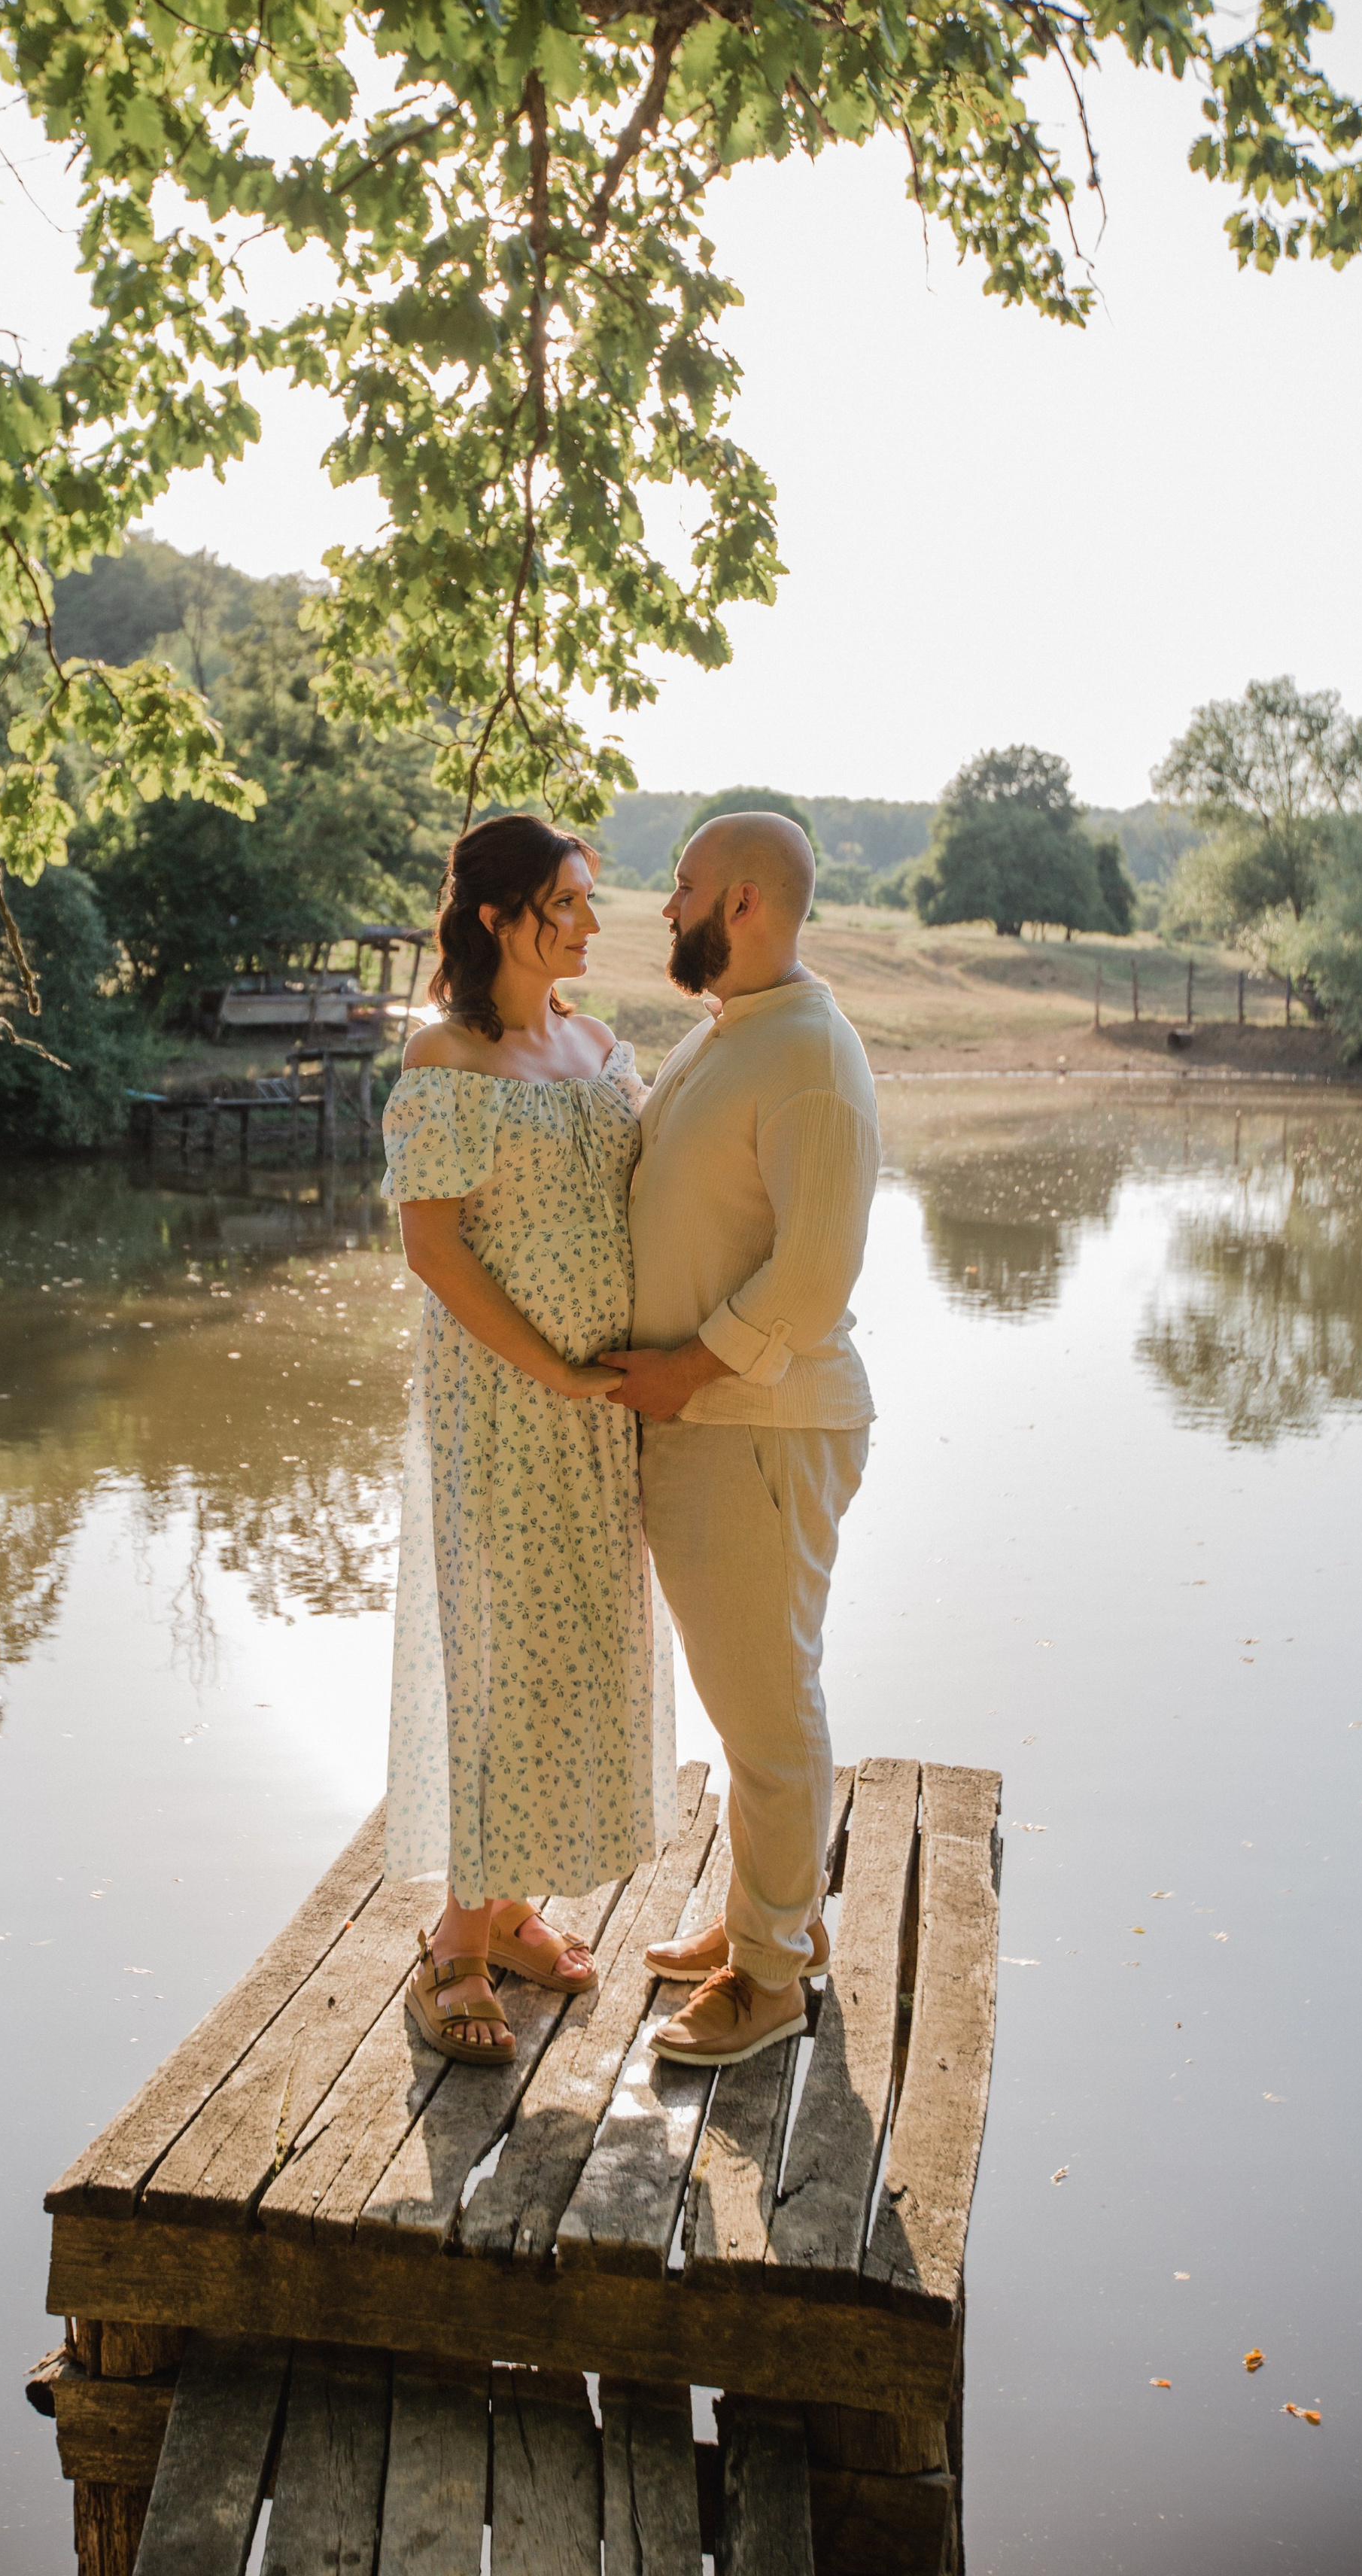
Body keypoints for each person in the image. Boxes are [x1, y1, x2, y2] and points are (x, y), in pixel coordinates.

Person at [382, 815, 676, 2065]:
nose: (591, 925)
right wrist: (549, 1365)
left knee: (575, 1645)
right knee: (498, 1651)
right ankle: (452, 1942)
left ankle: (509, 1910)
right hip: (503, 1408)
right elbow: (434, 1248)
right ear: (499, 915)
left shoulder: (602, 1049)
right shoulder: (445, 1058)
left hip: (598, 1417)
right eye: (566, 902)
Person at [600, 812, 880, 2067]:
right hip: (709, 1422)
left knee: (769, 1712)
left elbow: (812, 1279)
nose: (669, 906)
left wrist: (680, 1370)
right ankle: (771, 1921)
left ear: (750, 901)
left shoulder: (810, 1057)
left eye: (687, 886)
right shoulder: (736, 1035)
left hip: (759, 1425)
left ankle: (772, 1982)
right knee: (744, 1697)